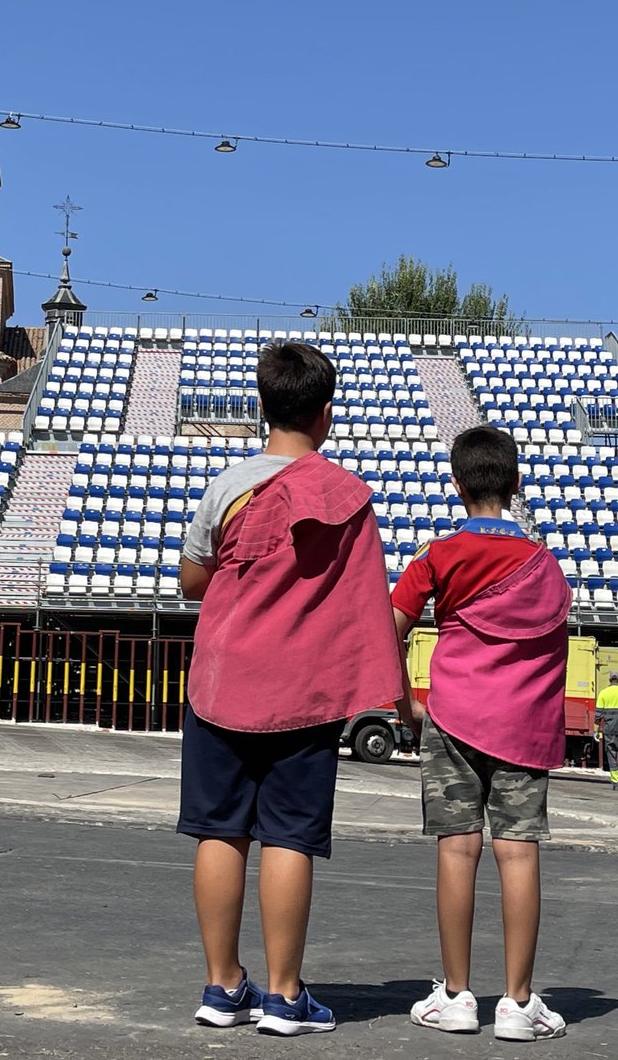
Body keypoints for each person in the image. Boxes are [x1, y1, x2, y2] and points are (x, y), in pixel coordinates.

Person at [177, 341, 416, 1037]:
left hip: (222, 682)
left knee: (220, 831)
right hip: (303, 694)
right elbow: (368, 602)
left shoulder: (229, 485)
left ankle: (222, 989)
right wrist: (393, 696)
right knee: (289, 839)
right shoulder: (347, 498)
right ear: (326, 416)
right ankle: (283, 997)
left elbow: (195, 580)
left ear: (261, 406)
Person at [393, 425, 571, 1042]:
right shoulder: (546, 565)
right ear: (516, 484)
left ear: (456, 485)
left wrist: (404, 704)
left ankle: (456, 996)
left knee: (456, 850)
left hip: (451, 719)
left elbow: (388, 626)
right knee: (519, 853)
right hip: (520, 726)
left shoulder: (437, 555)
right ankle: (518, 1005)